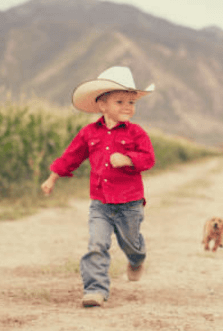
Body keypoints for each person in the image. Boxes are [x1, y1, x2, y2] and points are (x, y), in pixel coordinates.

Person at [41, 66, 156, 307]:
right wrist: (52, 178)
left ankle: (136, 259)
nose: (128, 107)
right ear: (102, 105)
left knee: (131, 244)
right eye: (120, 101)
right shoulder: (89, 133)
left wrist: (128, 159)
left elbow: (149, 159)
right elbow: (70, 156)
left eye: (132, 102)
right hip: (100, 203)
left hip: (130, 204)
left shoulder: (136, 133)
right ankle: (95, 289)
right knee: (97, 244)